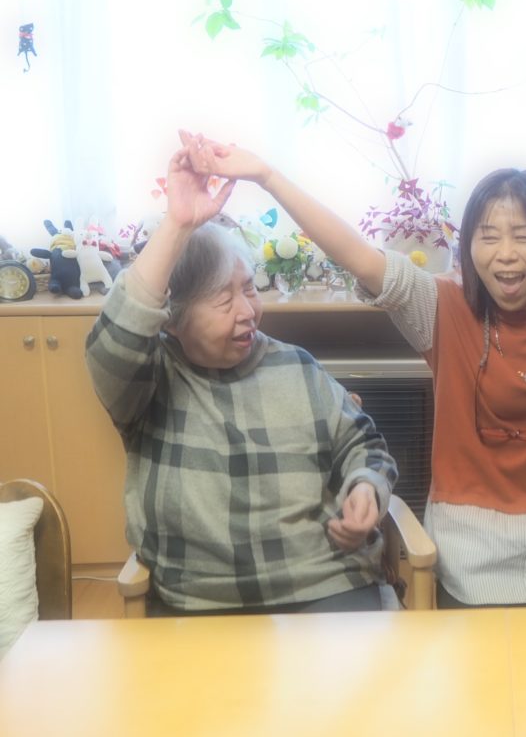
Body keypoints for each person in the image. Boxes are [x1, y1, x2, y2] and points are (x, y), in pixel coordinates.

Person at [180, 119, 526, 608]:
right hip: (474, 565)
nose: (505, 253)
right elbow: (356, 254)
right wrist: (267, 176)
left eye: (524, 236)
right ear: (469, 248)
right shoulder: (439, 307)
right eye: (488, 237)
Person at [85, 137, 399, 615]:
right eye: (222, 299)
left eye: (249, 289)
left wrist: (364, 487)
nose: (248, 311)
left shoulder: (297, 366)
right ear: (173, 319)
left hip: (325, 582)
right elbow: (115, 340)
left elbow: (364, 444)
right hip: (201, 600)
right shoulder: (149, 381)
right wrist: (178, 224)